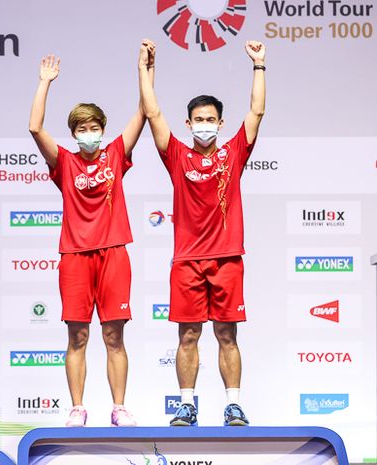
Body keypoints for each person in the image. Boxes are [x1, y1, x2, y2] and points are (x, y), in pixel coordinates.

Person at [139, 41, 266, 426]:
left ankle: (233, 404)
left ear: (220, 124)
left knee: (227, 335)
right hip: (188, 261)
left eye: (212, 119)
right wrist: (145, 67)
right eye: (198, 119)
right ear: (189, 123)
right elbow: (153, 111)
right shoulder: (177, 155)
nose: (205, 125)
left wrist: (259, 65)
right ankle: (187, 404)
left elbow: (257, 110)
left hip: (227, 257)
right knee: (188, 336)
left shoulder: (233, 153)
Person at [28, 42, 155, 427]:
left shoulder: (115, 154)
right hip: (75, 255)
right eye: (81, 129)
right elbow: (35, 127)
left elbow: (145, 113)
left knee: (114, 336)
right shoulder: (64, 162)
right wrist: (44, 83)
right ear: (73, 133)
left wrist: (145, 68)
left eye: (94, 127)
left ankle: (119, 407)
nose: (89, 134)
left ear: (102, 129)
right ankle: (77, 408)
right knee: (77, 336)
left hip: (114, 252)